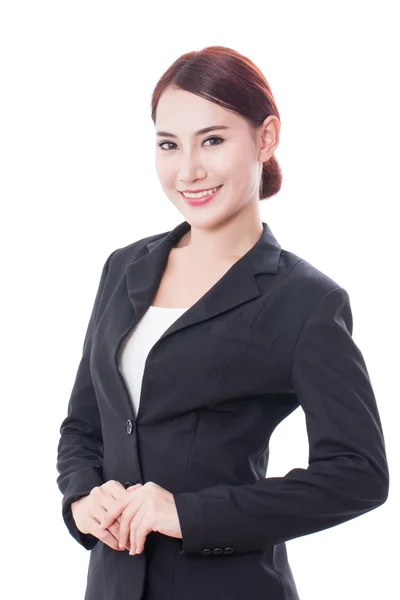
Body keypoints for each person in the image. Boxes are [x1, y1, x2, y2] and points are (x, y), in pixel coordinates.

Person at [56, 45, 389, 600]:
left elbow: (358, 473)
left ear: (265, 138)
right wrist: (83, 497)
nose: (188, 170)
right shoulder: (124, 267)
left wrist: (188, 513)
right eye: (169, 145)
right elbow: (83, 426)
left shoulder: (305, 300)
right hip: (112, 584)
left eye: (212, 140)